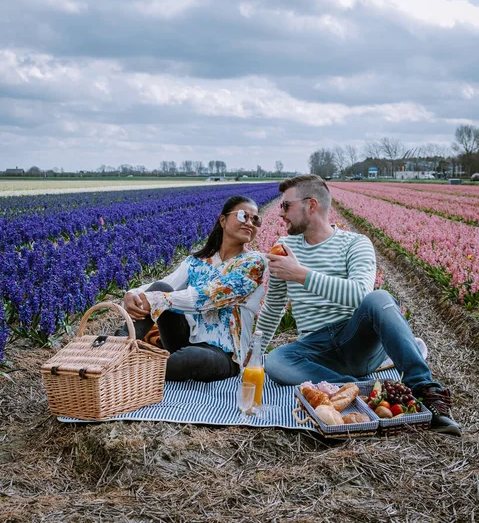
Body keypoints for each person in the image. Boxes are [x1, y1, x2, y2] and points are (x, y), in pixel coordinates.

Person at [255, 174, 461, 436]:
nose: (280, 213)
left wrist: (300, 274)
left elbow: (360, 294)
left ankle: (425, 390)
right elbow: (273, 308)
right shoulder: (283, 248)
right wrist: (253, 354)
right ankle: (360, 389)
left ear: (311, 205)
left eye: (286, 205)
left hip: (356, 341)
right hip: (316, 349)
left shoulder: (355, 243)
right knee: (274, 361)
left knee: (380, 298)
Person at [117, 196, 267, 382]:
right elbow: (165, 283)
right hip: (184, 338)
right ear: (223, 220)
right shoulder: (197, 261)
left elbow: (213, 296)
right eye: (244, 215)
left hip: (224, 354)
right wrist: (133, 293)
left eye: (256, 219)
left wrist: (159, 299)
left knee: (191, 358)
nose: (250, 223)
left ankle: (131, 372)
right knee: (160, 287)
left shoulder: (254, 263)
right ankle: (115, 351)